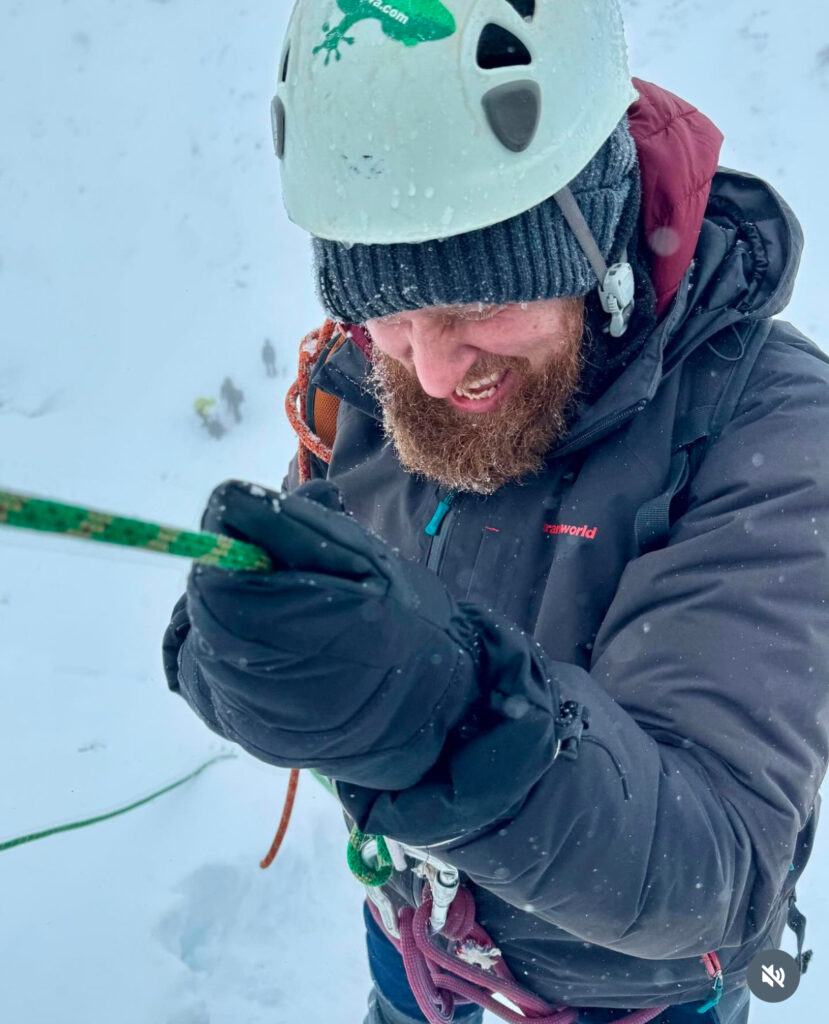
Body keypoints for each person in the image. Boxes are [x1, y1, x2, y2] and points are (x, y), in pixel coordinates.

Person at [163, 3, 829, 1023]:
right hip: (414, 941)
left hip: (627, 998)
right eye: (389, 309)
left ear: (591, 240)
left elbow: (714, 874)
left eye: (477, 304)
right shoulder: (375, 373)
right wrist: (242, 652)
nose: (429, 368)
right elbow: (316, 613)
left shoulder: (772, 431)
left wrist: (429, 714)